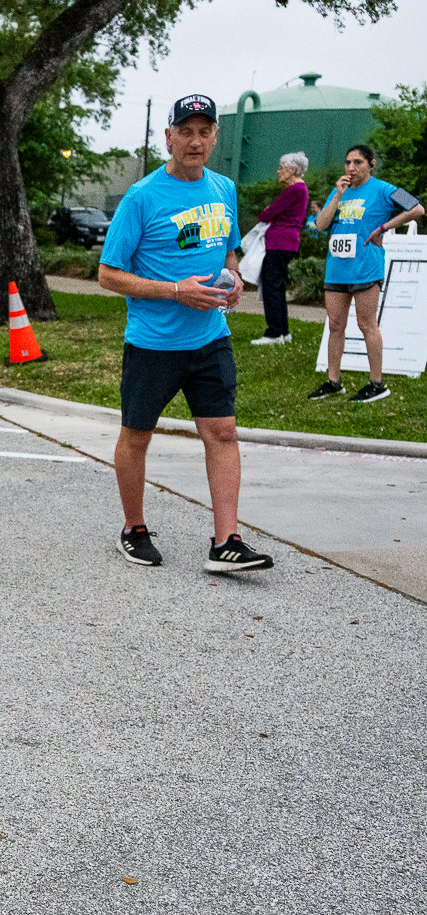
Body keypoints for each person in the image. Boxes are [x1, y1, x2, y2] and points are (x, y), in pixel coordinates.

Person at [97, 93, 272, 574]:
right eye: (186, 132)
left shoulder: (223, 188)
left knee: (222, 432)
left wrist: (233, 277)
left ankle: (226, 541)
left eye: (204, 132)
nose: (195, 141)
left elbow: (228, 250)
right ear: (168, 137)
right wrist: (176, 291)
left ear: (215, 138)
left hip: (210, 337)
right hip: (153, 342)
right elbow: (108, 274)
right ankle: (133, 528)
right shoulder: (142, 197)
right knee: (137, 436)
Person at [308, 144, 424, 404]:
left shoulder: (383, 189)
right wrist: (337, 196)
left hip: (366, 268)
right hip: (337, 268)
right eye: (348, 162)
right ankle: (333, 381)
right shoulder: (339, 190)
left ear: (371, 164)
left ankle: (377, 383)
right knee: (335, 324)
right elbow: (321, 225)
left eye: (358, 162)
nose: (351, 168)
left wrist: (384, 227)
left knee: (366, 324)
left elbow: (417, 209)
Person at [248, 153, 310, 346]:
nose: (279, 171)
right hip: (287, 243)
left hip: (279, 242)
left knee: (271, 287)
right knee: (278, 286)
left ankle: (274, 333)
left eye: (282, 167)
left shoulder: (294, 190)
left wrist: (267, 210)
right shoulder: (300, 190)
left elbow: (267, 214)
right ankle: (283, 331)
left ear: (292, 169)